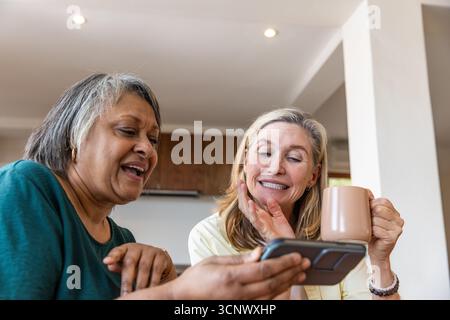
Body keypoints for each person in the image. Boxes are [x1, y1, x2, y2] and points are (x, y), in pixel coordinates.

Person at [0, 74, 310, 299]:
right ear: (74, 137)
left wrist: (167, 280)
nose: (148, 150)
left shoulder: (123, 240)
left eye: (151, 138)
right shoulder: (29, 187)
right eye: (127, 131)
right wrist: (177, 293)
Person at [188, 108, 404, 300]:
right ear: (246, 162)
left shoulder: (336, 237)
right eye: (265, 153)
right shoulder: (208, 236)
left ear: (313, 176)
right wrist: (285, 251)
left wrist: (381, 261)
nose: (275, 168)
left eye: (293, 158)